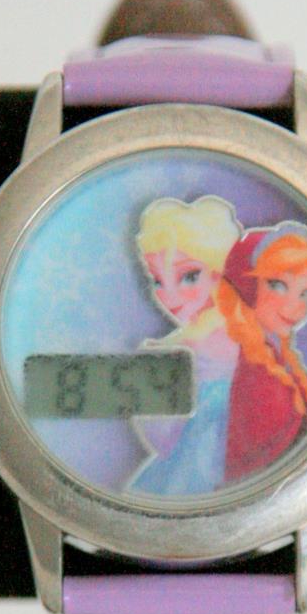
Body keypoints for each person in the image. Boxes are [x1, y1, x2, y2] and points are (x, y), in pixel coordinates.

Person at [126, 196, 242, 496]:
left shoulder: (247, 337)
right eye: (157, 281)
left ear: (220, 269)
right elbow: (161, 439)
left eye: (189, 276)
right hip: (189, 479)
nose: (170, 296)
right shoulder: (178, 350)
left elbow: (161, 438)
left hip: (220, 477)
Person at [217, 223, 307, 483]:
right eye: (277, 285)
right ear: (246, 284)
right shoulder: (238, 366)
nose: (295, 306)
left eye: (305, 293)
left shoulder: (277, 358)